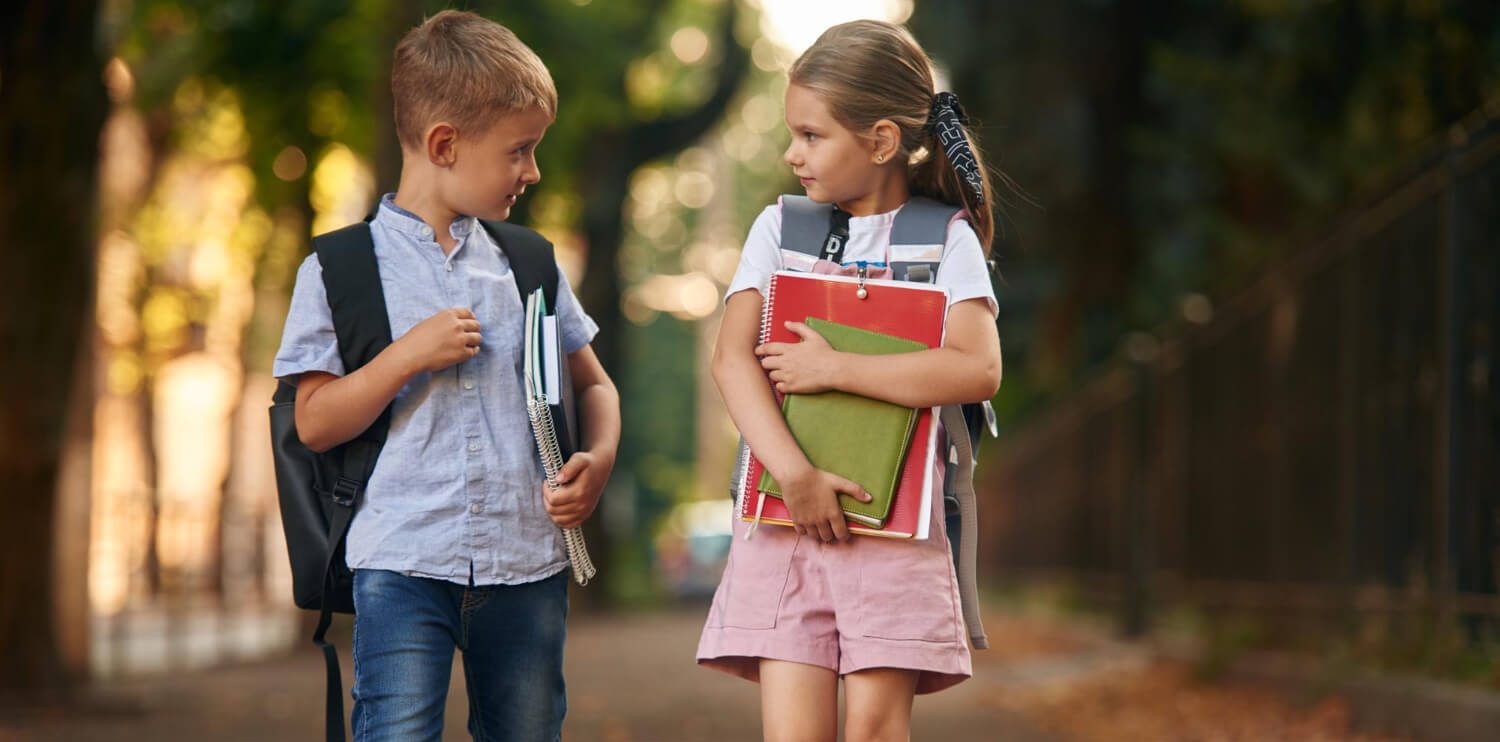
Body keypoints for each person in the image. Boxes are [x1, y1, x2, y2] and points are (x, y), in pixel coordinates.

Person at [272, 10, 619, 741]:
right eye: (519, 151)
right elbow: (313, 420)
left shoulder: (527, 263)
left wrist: (601, 458)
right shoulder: (337, 269)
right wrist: (406, 355)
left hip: (525, 564)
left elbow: (593, 384)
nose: (534, 171)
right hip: (401, 562)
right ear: (444, 145)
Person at [697, 19, 1003, 741]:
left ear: (882, 140)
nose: (790, 153)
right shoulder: (780, 230)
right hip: (785, 522)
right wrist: (794, 474)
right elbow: (731, 358)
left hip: (894, 534)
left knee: (871, 730)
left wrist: (837, 368)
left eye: (811, 135)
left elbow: (977, 366)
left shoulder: (945, 240)